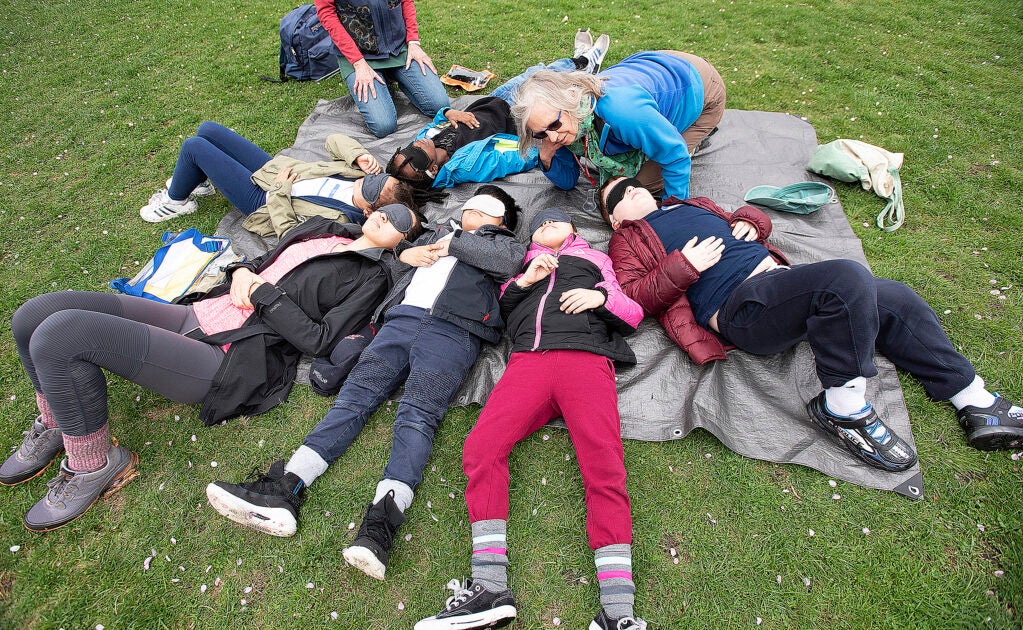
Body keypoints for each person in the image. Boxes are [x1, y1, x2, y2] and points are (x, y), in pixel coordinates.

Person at [0, 206, 423, 532]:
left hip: (232, 353)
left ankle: (95, 462)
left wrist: (264, 295)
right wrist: (241, 271)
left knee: (61, 334)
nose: (388, 216)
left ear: (401, 243)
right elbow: (262, 260)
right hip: (203, 312)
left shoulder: (373, 278)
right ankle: (59, 420)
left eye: (400, 221)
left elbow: (319, 339)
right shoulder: (322, 227)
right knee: (34, 315)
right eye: (386, 210)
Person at [205, 186, 526, 582]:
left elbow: (508, 263)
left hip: (453, 331)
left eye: (484, 208)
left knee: (418, 414)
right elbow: (386, 272)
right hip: (400, 321)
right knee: (354, 399)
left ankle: (380, 525)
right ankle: (286, 486)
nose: (472, 209)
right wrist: (405, 256)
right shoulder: (431, 234)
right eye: (472, 204)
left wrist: (456, 240)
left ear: (500, 222)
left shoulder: (504, 243)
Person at [599, 177, 1023, 472]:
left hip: (778, 284)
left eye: (633, 182)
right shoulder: (628, 240)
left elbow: (749, 217)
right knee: (845, 279)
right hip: (740, 309)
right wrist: (683, 266)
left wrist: (749, 221)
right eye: (620, 192)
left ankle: (974, 399)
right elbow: (634, 298)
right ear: (615, 219)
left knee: (893, 296)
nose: (632, 187)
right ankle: (843, 406)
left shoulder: (691, 203)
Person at [415, 208, 646, 630]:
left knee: (604, 468)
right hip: (529, 365)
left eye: (554, 221)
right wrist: (526, 280)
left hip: (585, 362)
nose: (545, 226)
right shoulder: (523, 263)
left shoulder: (595, 261)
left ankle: (617, 613)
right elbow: (502, 312)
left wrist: (602, 298)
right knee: (481, 447)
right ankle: (489, 588)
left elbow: (632, 313)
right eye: (539, 223)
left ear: (574, 231)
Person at [385, 32, 611, 189]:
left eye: (405, 149)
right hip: (517, 117)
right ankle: (585, 62)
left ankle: (580, 62)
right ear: (433, 168)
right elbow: (510, 159)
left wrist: (448, 113)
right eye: (415, 153)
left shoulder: (424, 141)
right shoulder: (465, 167)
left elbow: (434, 122)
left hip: (493, 101)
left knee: (535, 71)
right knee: (539, 77)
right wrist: (544, 153)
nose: (415, 144)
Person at [512, 50, 726, 199]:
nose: (553, 138)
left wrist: (675, 211)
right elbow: (568, 182)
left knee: (635, 187)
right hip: (657, 68)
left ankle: (691, 132)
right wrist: (546, 157)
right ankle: (657, 131)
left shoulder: (622, 111)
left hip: (699, 86)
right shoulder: (563, 122)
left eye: (554, 125)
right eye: (540, 134)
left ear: (570, 97)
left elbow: (675, 156)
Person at [139, 121, 416, 236]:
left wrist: (281, 190)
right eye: (375, 179)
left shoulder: (339, 220)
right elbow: (333, 140)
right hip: (275, 169)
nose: (363, 181)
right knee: (207, 130)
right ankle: (198, 180)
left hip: (265, 199)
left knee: (194, 146)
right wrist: (358, 156)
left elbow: (289, 232)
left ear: (368, 211)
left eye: (369, 189)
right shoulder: (359, 174)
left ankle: (176, 202)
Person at [314, 0, 449, 138]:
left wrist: (413, 41)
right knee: (384, 125)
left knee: (440, 105)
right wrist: (357, 62)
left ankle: (394, 75)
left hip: (397, 48)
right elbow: (326, 13)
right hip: (358, 54)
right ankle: (380, 79)